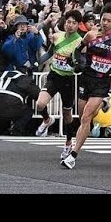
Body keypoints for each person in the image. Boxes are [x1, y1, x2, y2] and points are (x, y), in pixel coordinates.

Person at [60, 2, 111, 169]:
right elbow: (77, 50)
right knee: (84, 117)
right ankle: (102, 104)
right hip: (86, 79)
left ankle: (73, 155)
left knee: (85, 118)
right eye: (103, 19)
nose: (105, 23)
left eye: (109, 20)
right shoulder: (91, 35)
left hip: (102, 83)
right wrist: (77, 62)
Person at [35, 10, 83, 160]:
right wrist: (36, 64)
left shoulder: (80, 42)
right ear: (64, 22)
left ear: (78, 25)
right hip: (54, 75)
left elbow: (81, 64)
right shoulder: (57, 36)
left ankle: (68, 142)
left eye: (74, 23)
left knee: (67, 114)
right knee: (40, 104)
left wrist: (74, 64)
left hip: (68, 80)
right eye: (68, 22)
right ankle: (47, 120)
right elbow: (49, 54)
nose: (70, 25)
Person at [0, 70, 40, 135]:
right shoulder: (24, 78)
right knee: (28, 111)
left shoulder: (0, 75)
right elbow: (38, 95)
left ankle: (2, 130)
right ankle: (16, 130)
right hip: (12, 108)